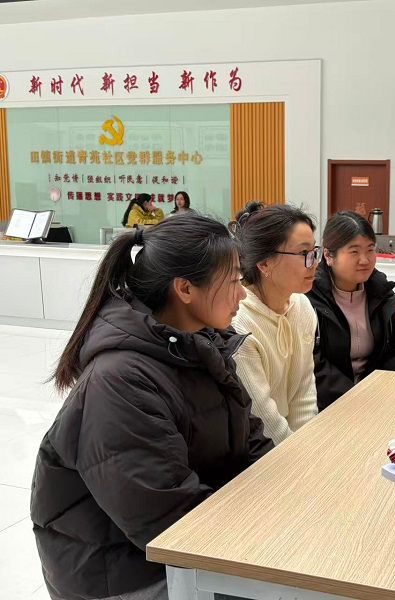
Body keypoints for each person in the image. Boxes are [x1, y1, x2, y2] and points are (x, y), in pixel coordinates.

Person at [31, 215, 273, 600]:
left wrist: (286, 495)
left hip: (178, 541)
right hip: (122, 573)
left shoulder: (200, 344)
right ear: (185, 289)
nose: (242, 295)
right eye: (232, 281)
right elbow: (166, 522)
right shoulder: (119, 381)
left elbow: (251, 439)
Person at [232, 205, 320, 444]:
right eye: (304, 253)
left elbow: (304, 394)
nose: (314, 263)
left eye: (314, 251)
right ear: (264, 264)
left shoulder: (302, 306)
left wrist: (309, 446)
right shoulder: (239, 322)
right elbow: (265, 420)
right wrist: (298, 456)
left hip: (293, 447)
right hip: (257, 451)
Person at [308, 211, 395, 411]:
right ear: (328, 256)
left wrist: (389, 394)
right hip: (328, 405)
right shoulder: (310, 298)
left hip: (377, 401)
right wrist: (356, 399)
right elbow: (313, 363)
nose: (365, 260)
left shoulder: (381, 293)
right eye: (354, 251)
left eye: (370, 250)